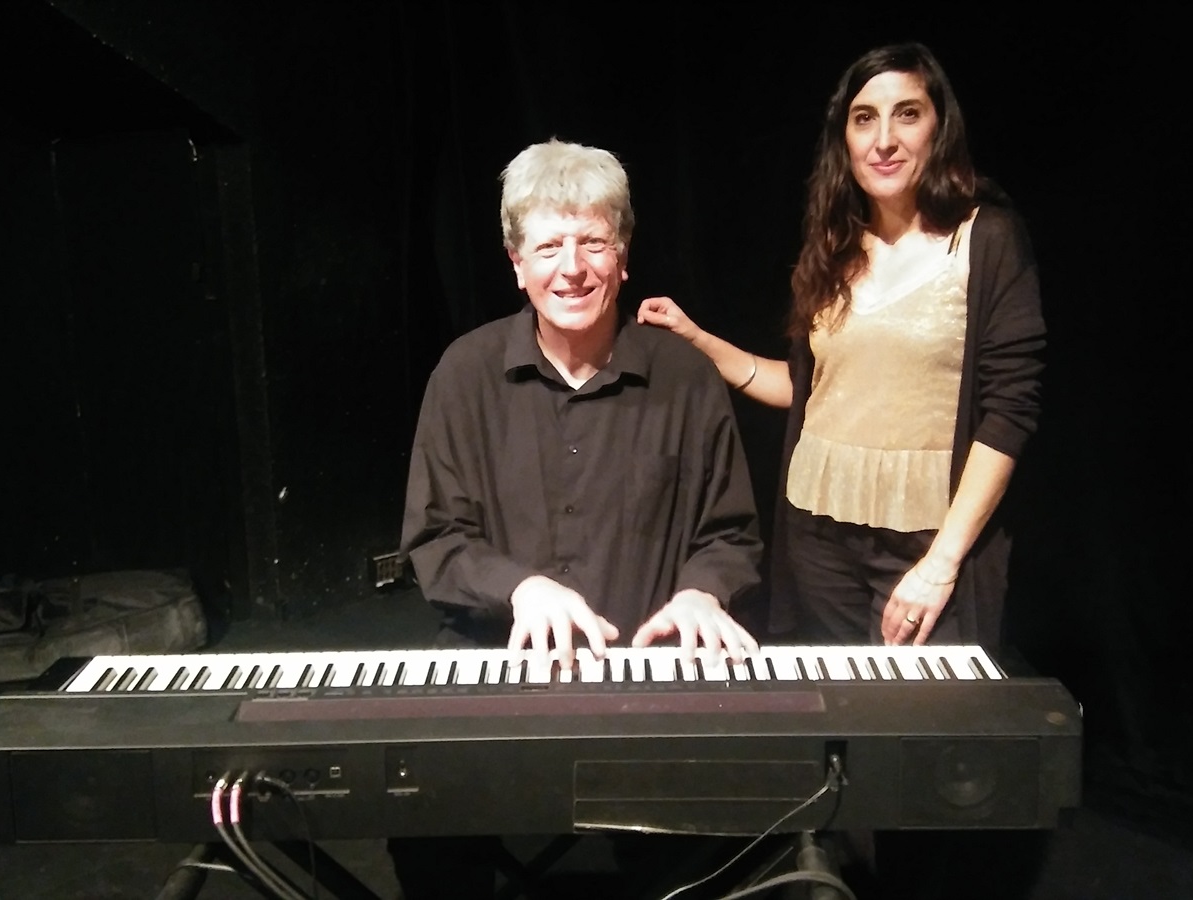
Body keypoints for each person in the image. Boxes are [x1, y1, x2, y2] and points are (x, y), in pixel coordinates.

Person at [392, 138, 765, 897]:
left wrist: (703, 592)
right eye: (548, 247)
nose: (572, 268)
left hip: (647, 678)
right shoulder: (463, 373)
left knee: (741, 824)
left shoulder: (687, 377)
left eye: (593, 242)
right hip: (497, 665)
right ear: (516, 264)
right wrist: (521, 587)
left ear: (623, 259)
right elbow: (435, 538)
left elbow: (729, 533)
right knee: (416, 814)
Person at [638, 43, 1045, 657]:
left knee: (919, 713)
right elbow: (810, 390)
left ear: (940, 127)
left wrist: (942, 563)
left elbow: (1009, 412)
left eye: (907, 114)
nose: (884, 140)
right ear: (844, 138)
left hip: (927, 542)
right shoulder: (836, 245)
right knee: (837, 706)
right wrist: (698, 340)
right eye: (864, 119)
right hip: (817, 537)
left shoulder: (986, 239)